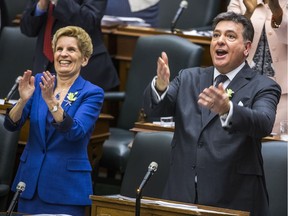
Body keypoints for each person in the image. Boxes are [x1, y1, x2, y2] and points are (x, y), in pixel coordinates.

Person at [143, 11, 281, 216]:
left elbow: (263, 124)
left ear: (247, 48)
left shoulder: (263, 85)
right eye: (216, 35)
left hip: (233, 198)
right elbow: (156, 110)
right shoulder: (188, 77)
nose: (220, 41)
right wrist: (161, 86)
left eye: (230, 36)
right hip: (182, 194)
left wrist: (228, 110)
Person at [4, 26, 104, 214]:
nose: (63, 54)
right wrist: (23, 100)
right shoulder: (40, 81)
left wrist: (51, 102)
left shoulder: (92, 93)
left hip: (66, 189)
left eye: (71, 49)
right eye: (59, 49)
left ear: (84, 59)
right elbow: (10, 124)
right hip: (29, 184)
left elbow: (75, 132)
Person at [20, 0, 119, 91]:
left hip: (84, 70)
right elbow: (28, 29)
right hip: (45, 67)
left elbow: (89, 21)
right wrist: (41, 6)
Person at [227, 0, 287, 134]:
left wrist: (277, 11)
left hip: (283, 90)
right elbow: (228, 34)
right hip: (243, 86)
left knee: (277, 146)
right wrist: (248, 13)